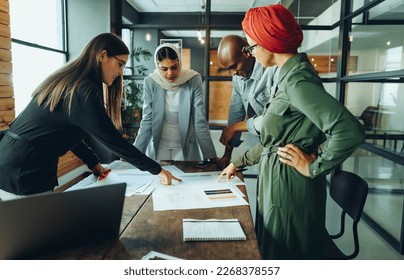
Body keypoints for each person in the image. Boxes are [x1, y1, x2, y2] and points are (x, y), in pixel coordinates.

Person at [218, 4, 366, 259]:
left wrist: (314, 166)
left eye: (251, 46)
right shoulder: (287, 78)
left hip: (290, 190)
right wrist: (238, 162)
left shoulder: (297, 81)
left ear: (267, 42)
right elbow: (276, 140)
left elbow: (349, 130)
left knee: (284, 256)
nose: (251, 52)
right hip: (277, 184)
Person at [0, 33, 180, 201]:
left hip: (17, 160)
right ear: (103, 56)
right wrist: (157, 170)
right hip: (23, 168)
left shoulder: (73, 83)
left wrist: (93, 162)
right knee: (34, 231)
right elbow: (113, 140)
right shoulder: (82, 91)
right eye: (120, 64)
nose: (121, 71)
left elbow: (69, 134)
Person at [134, 43, 217, 162]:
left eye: (174, 67)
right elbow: (147, 120)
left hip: (185, 146)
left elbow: (199, 120)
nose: (170, 73)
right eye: (164, 69)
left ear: (179, 62)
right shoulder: (151, 82)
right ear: (157, 66)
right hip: (159, 144)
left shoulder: (192, 79)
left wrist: (211, 156)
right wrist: (134, 155)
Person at [216, 35, 278, 169]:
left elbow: (274, 121)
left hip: (282, 140)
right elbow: (235, 113)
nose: (234, 73)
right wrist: (227, 155)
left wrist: (236, 127)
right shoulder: (237, 78)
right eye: (229, 69)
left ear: (246, 52)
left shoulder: (271, 69)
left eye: (234, 66)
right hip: (264, 140)